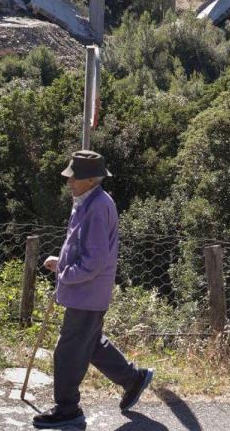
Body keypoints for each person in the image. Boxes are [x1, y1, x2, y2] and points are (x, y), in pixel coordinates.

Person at [33, 150, 154, 429]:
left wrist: (65, 273)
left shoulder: (98, 206)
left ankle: (68, 409)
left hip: (86, 294)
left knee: (68, 351)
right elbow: (81, 248)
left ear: (89, 179)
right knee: (90, 344)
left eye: (73, 177)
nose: (68, 182)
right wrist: (60, 261)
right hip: (86, 292)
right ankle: (133, 379)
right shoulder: (87, 200)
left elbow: (95, 261)